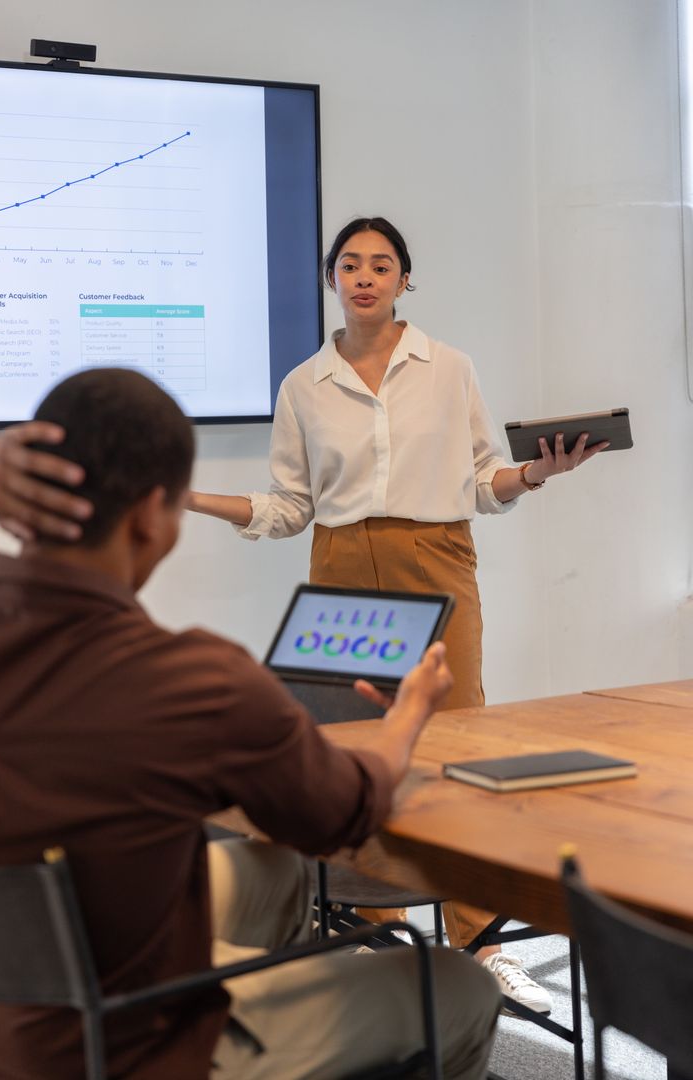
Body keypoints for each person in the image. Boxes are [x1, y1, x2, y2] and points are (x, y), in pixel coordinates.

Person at [0, 367, 501, 1080]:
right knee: (458, 984)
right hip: (136, 1046)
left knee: (275, 872)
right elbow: (344, 811)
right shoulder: (193, 680)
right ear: (153, 515)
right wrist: (407, 717)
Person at [188, 215, 610, 1011]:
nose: (366, 276)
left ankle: (478, 945)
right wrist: (188, 496)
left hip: (436, 558)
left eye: (382, 264)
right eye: (350, 264)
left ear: (406, 280)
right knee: (347, 743)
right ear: (333, 280)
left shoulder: (448, 368)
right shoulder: (302, 386)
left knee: (458, 742)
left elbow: (483, 481)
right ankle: (370, 935)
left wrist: (537, 473)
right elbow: (287, 506)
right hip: (341, 566)